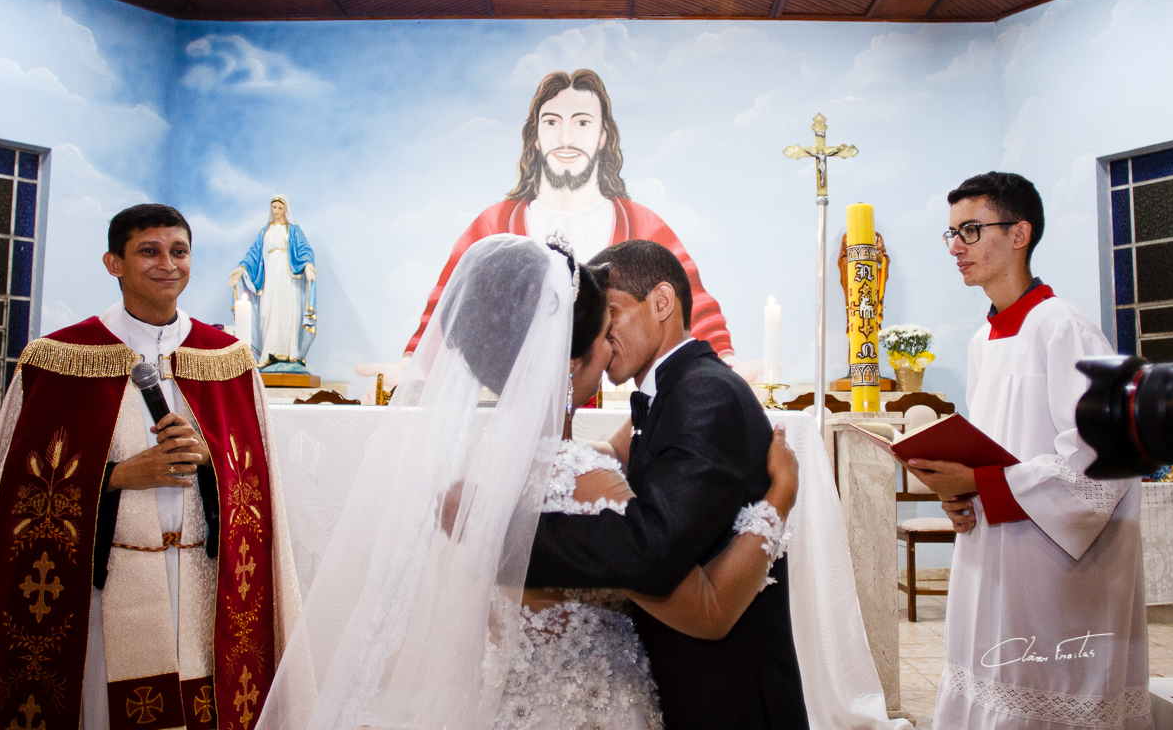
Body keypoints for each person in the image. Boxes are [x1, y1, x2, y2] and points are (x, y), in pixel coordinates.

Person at [257, 234, 796, 730]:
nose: (609, 340)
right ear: (564, 357)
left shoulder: (485, 469)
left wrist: (490, 528)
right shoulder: (590, 480)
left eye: (612, 317)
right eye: (599, 324)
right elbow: (703, 604)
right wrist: (781, 495)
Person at [0, 204, 300, 730]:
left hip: (201, 581)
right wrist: (115, 475)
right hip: (104, 583)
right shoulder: (58, 358)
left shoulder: (228, 360)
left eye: (179, 251)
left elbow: (256, 486)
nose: (168, 264)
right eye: (149, 251)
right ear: (114, 263)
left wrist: (210, 461)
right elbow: (17, 486)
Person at [526, 239, 809, 729]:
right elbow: (621, 460)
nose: (602, 331)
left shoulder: (704, 395)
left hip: (726, 691)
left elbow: (652, 550)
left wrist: (508, 537)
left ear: (661, 303)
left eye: (610, 312)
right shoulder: (671, 389)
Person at [904, 172, 1150, 729]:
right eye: (951, 234)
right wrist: (959, 494)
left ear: (1020, 234)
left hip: (1058, 569)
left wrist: (979, 482)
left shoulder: (1063, 328)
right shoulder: (983, 338)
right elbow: (995, 445)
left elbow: (1101, 465)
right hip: (996, 550)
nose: (957, 247)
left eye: (970, 229)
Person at [359, 69, 760, 392]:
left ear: (603, 136)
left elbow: (692, 310)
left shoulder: (643, 224)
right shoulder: (494, 225)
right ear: (535, 135)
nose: (566, 138)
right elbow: (449, 307)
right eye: (552, 122)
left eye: (582, 122)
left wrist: (724, 363)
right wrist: (412, 365)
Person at [229, 194, 317, 369]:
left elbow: (304, 249)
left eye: (280, 208)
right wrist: (240, 270)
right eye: (274, 207)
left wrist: (308, 265)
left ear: (285, 209)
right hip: (270, 274)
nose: (276, 211)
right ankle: (270, 351)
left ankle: (291, 355)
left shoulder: (293, 229)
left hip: (289, 276)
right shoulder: (265, 231)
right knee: (268, 311)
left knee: (289, 311)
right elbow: (254, 254)